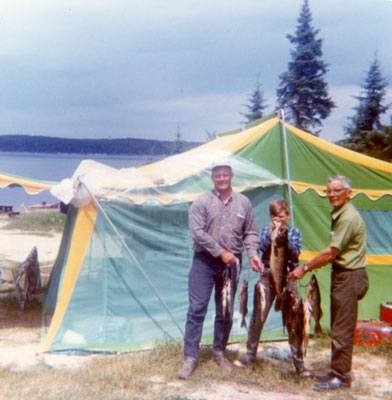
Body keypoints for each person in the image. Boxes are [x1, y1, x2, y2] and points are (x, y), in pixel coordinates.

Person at [178, 161, 263, 379]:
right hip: (204, 263)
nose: (222, 179)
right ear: (212, 177)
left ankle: (219, 351)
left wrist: (253, 254)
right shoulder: (201, 201)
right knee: (196, 308)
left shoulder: (244, 202)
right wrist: (220, 252)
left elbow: (251, 232)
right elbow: (197, 232)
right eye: (218, 175)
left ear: (232, 176)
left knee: (225, 310)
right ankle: (190, 357)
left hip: (232, 264)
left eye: (226, 175)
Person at [289, 175, 369, 391]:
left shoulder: (347, 217)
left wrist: (304, 268)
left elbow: (331, 253)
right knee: (337, 326)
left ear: (348, 193)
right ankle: (336, 371)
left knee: (341, 329)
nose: (331, 195)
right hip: (343, 275)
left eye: (337, 190)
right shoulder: (340, 213)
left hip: (349, 277)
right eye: (328, 191)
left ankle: (342, 377)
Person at [236, 199, 311, 378]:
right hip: (268, 275)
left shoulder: (294, 232)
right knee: (258, 316)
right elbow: (261, 247)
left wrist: (282, 236)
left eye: (282, 217)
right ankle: (250, 354)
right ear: (271, 217)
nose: (279, 220)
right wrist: (271, 234)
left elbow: (294, 252)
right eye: (276, 217)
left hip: (289, 276)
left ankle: (299, 363)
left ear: (288, 216)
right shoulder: (266, 231)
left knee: (294, 318)